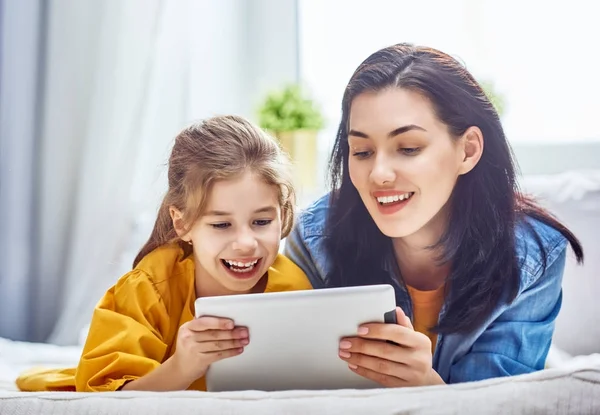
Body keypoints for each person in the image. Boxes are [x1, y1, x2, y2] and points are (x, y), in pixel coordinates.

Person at [284, 43, 584, 387]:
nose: (378, 173)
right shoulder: (314, 237)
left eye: (408, 148)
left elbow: (500, 403)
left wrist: (426, 387)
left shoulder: (532, 256)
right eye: (362, 151)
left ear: (468, 150)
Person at [17, 115, 312, 392]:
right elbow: (107, 399)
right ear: (182, 223)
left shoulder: (293, 288)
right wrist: (182, 368)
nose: (246, 243)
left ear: (282, 214)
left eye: (261, 222)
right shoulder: (148, 288)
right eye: (221, 224)